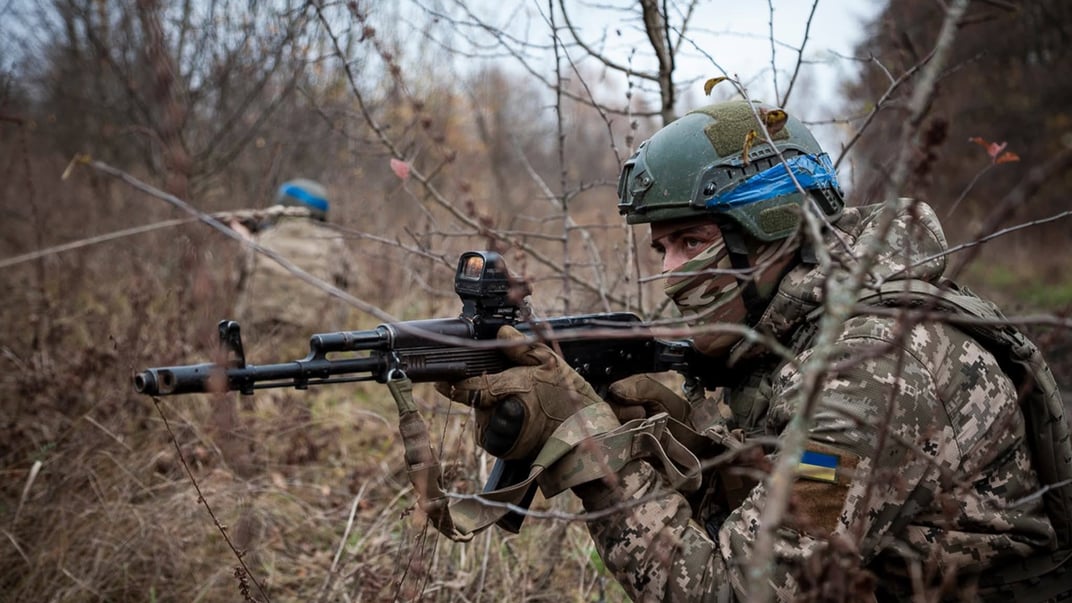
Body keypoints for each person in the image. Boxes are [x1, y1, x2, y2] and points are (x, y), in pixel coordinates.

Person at [434, 100, 1072, 601]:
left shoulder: (873, 376)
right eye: (662, 249)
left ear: (774, 228)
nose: (674, 273)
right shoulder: (802, 331)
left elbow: (736, 592)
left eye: (692, 240)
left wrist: (593, 452)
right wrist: (674, 440)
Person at [233, 178, 352, 346]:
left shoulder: (258, 241)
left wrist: (246, 242)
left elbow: (237, 282)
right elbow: (348, 284)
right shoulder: (334, 243)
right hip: (318, 340)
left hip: (260, 340)